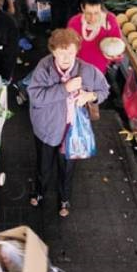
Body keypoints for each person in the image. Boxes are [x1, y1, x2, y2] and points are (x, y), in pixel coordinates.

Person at [28, 28, 109, 217]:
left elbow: (104, 90)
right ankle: (39, 192)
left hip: (72, 131)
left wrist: (91, 95)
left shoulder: (87, 70)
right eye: (61, 53)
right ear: (53, 51)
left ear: (77, 52)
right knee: (43, 164)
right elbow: (36, 96)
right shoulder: (44, 67)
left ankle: (64, 198)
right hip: (46, 128)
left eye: (71, 53)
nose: (66, 58)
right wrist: (65, 88)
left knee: (67, 167)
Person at [67, 0, 123, 75]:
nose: (92, 18)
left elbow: (118, 46)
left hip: (100, 72)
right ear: (82, 7)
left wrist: (114, 56)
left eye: (96, 13)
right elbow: (68, 47)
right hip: (78, 71)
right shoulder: (74, 23)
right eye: (89, 13)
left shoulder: (109, 21)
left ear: (101, 8)